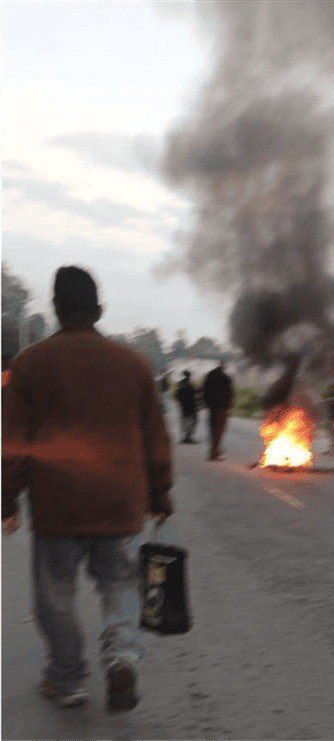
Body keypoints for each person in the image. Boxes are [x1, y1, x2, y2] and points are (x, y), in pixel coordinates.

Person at [1, 266, 173, 712]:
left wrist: (6, 501)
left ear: (56, 309)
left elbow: (11, 443)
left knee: (54, 597)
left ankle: (68, 679)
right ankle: (120, 658)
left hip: (58, 508)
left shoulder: (29, 364)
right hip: (120, 504)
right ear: (99, 310)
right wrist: (161, 495)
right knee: (120, 587)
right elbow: (156, 438)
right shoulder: (133, 364)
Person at [202, 360, 234, 461]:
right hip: (222, 409)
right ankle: (214, 453)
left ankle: (215, 450)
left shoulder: (210, 376)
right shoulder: (226, 378)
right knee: (219, 430)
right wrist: (228, 408)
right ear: (223, 367)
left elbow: (204, 391)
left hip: (212, 408)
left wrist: (207, 404)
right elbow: (230, 394)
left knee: (213, 429)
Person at [174, 370, 197, 444]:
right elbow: (192, 395)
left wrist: (181, 402)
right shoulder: (188, 385)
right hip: (190, 406)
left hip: (184, 406)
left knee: (185, 421)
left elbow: (176, 395)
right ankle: (188, 437)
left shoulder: (181, 384)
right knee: (191, 421)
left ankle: (186, 437)